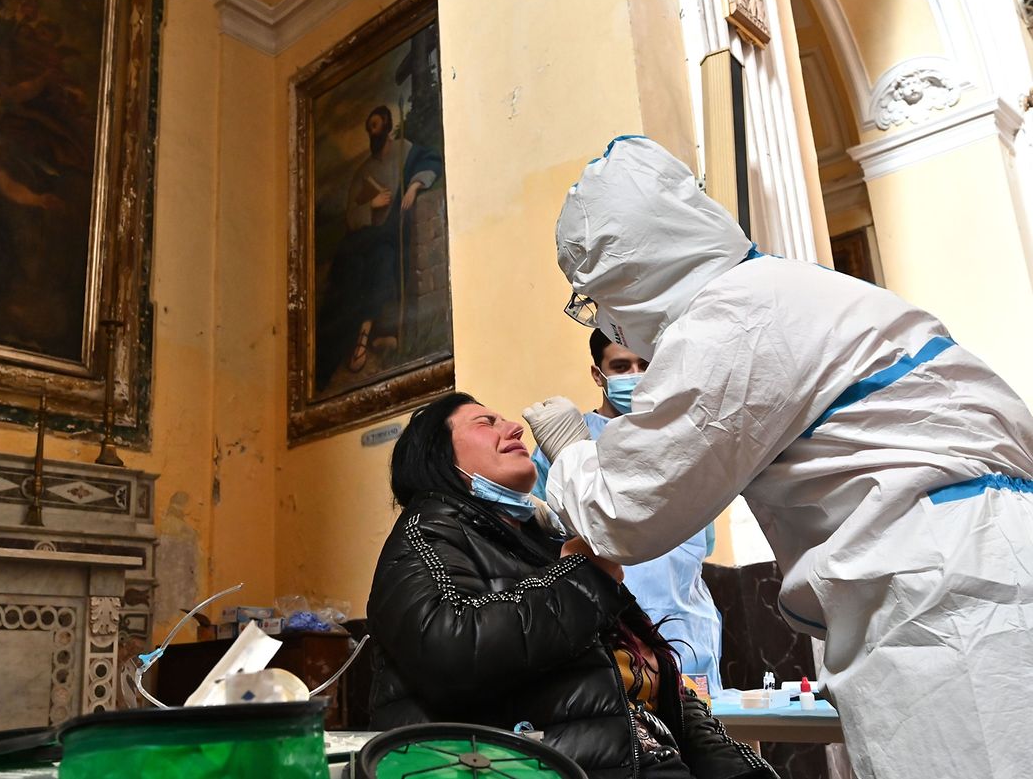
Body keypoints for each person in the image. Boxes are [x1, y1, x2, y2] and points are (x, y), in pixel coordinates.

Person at [524, 136, 1033, 779]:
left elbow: (626, 512)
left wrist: (571, 450)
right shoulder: (784, 289)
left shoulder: (728, 322)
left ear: (632, 276)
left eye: (600, 298)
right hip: (971, 560)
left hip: (941, 589)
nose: (607, 322)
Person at [368, 392, 777, 779]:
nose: (514, 427)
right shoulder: (425, 533)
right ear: (437, 456)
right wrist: (586, 573)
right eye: (486, 422)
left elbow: (654, 688)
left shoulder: (543, 545)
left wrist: (740, 770)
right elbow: (453, 651)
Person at [530, 329, 724, 697]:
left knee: (699, 726)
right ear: (597, 374)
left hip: (688, 631)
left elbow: (702, 542)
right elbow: (544, 539)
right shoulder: (565, 442)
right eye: (621, 367)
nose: (636, 375)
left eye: (644, 364)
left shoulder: (682, 434)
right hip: (609, 638)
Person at [314, 105, 444, 386]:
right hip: (365, 239)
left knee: (383, 259)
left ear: (386, 125)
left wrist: (414, 186)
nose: (371, 132)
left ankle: (370, 333)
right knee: (353, 268)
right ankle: (355, 337)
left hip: (388, 237)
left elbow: (431, 160)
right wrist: (370, 205)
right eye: (368, 128)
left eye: (375, 126)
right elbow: (351, 215)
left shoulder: (404, 151)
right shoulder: (365, 171)